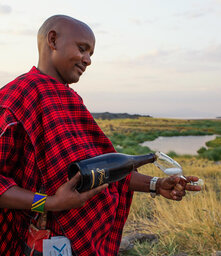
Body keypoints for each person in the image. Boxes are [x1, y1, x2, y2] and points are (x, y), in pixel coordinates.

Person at [0, 15, 201, 256]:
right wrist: (50, 203)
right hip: (33, 245)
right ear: (52, 40)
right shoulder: (17, 98)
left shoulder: (70, 100)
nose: (88, 60)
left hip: (82, 245)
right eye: (82, 49)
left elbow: (100, 170)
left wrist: (156, 184)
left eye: (91, 54)